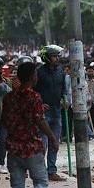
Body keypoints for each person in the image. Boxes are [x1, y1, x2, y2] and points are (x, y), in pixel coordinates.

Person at [1, 62, 54, 188]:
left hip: (14, 148)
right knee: (41, 181)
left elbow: (5, 121)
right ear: (32, 77)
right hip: (31, 147)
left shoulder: (9, 97)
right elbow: (40, 120)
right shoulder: (34, 96)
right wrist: (52, 137)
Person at [34, 44, 67, 181]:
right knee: (43, 142)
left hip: (57, 110)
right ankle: (40, 170)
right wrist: (40, 104)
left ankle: (52, 170)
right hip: (44, 112)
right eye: (54, 56)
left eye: (58, 56)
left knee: (55, 142)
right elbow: (34, 91)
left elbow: (64, 88)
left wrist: (65, 99)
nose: (57, 59)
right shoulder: (39, 72)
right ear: (47, 58)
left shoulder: (61, 71)